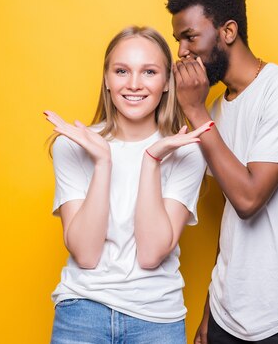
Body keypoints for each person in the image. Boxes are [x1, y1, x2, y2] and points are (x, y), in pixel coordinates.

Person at [167, 0, 278, 343]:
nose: (181, 52)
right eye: (178, 40)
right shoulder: (214, 111)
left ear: (228, 31)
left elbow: (248, 198)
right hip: (229, 315)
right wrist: (211, 310)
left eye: (190, 36)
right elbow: (232, 216)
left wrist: (194, 113)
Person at [44, 26, 210, 344]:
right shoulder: (73, 146)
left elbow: (150, 254)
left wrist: (151, 161)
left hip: (157, 321)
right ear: (107, 79)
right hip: (81, 314)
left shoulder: (186, 150)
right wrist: (103, 161)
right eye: (122, 71)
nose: (134, 84)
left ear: (166, 83)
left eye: (149, 71)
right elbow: (86, 254)